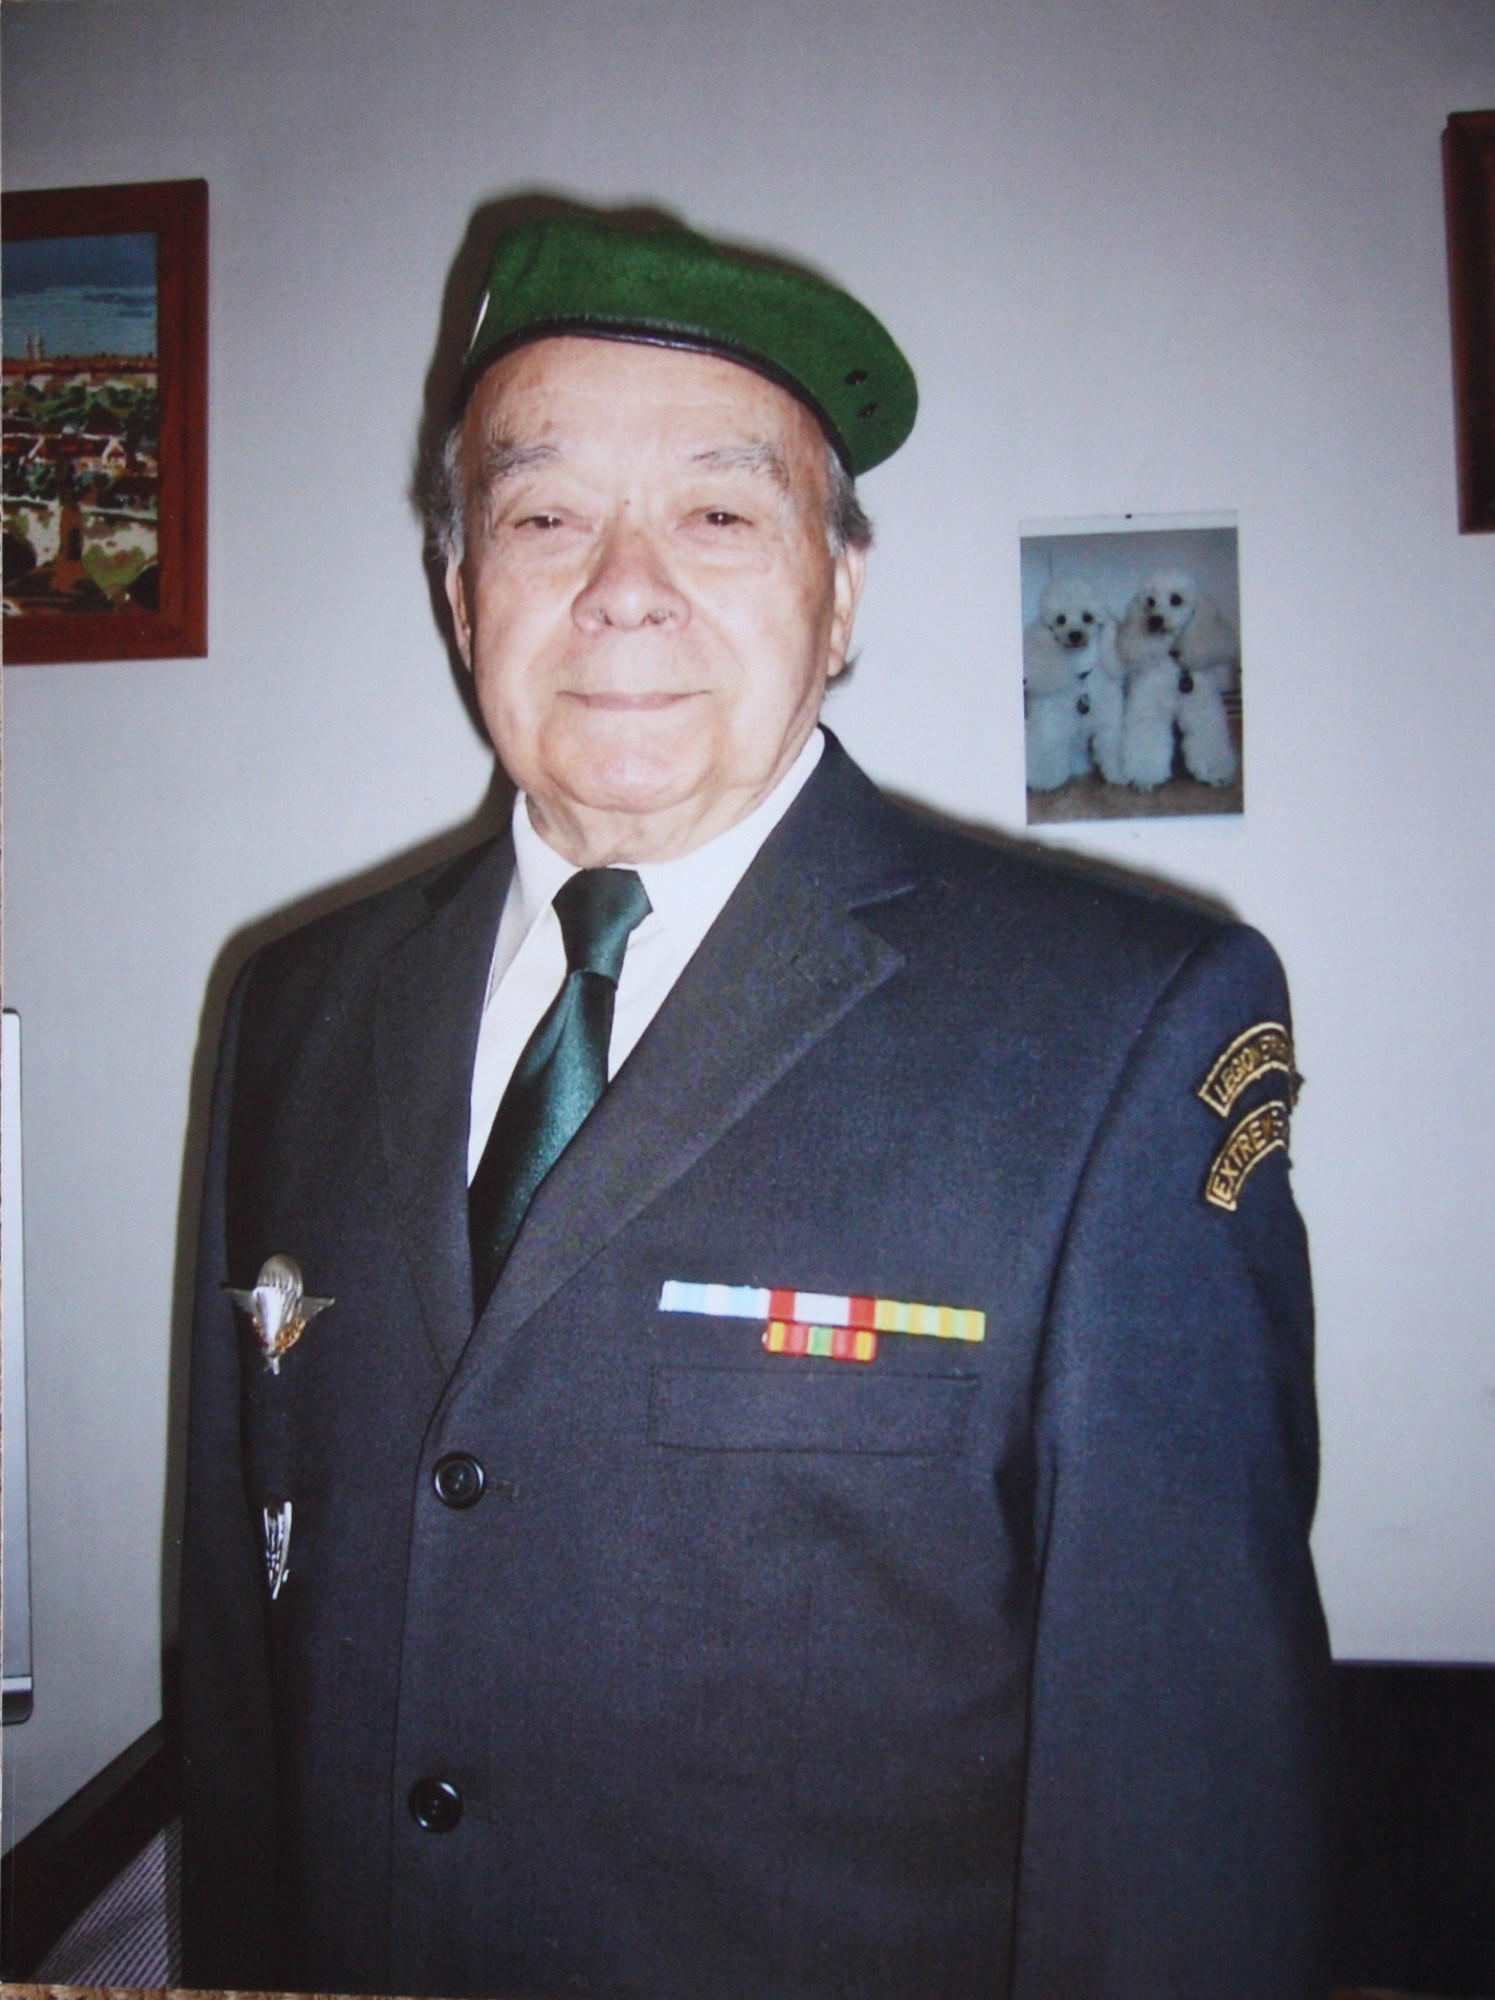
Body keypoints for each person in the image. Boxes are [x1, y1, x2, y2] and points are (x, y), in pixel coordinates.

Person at [180, 210, 1333, 2000]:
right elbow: (240, 1672)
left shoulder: (1119, 1028)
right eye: (543, 517)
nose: (623, 587)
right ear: (460, 588)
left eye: (719, 515)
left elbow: (1185, 1805)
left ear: (841, 590)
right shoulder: (293, 1008)